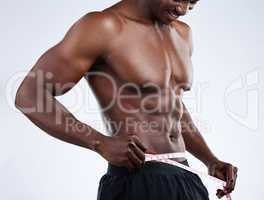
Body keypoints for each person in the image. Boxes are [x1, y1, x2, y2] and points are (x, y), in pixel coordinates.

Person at [15, 0, 238, 199]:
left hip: (186, 177)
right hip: (137, 180)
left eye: (192, 3)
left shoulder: (183, 34)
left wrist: (210, 160)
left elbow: (171, 106)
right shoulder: (103, 27)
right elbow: (29, 95)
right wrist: (98, 142)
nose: (183, 10)